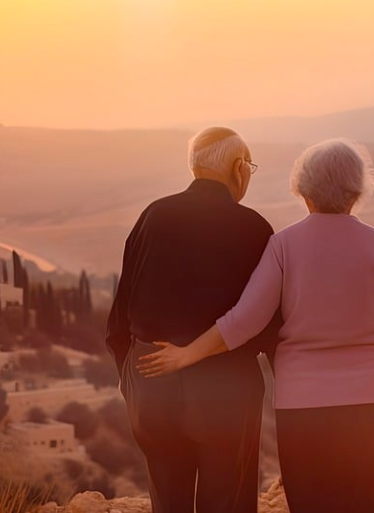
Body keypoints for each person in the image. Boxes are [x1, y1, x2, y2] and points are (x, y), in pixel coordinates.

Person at [137, 138, 374, 513]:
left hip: (305, 404)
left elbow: (244, 321)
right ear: (357, 191)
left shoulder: (284, 246)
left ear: (303, 192)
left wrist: (187, 355)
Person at [105, 126, 279, 513]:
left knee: (168, 500)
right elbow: (270, 323)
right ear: (238, 168)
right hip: (226, 385)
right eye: (250, 166)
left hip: (152, 378)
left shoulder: (152, 216)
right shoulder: (253, 228)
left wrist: (130, 379)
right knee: (227, 499)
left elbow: (120, 314)